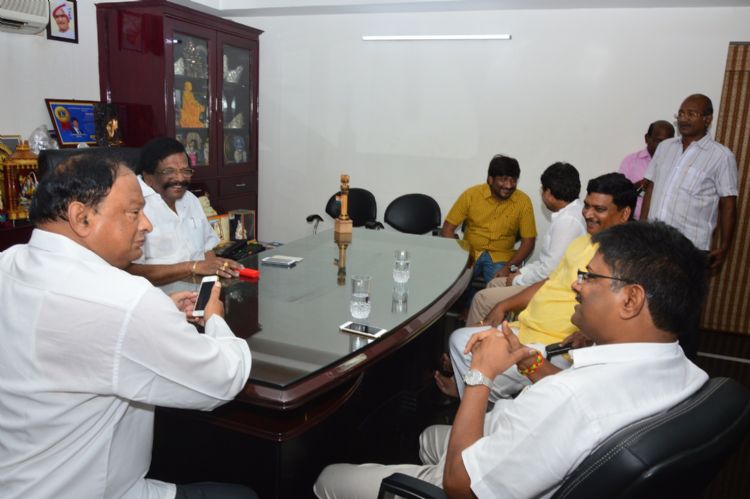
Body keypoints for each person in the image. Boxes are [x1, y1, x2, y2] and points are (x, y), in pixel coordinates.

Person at [314, 221, 708, 499]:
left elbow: (460, 487)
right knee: (428, 437)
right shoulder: (684, 368)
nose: (576, 284)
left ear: (631, 299)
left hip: (470, 482)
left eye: (590, 276)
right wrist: (529, 362)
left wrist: (481, 375)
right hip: (526, 447)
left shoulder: (570, 400)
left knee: (328, 479)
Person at [0, 155, 255, 498]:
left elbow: (63, 331)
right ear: (82, 217)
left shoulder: (8, 262)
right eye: (134, 212)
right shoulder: (124, 300)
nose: (147, 225)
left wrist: (159, 313)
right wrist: (214, 318)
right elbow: (223, 379)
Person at [438, 173, 636, 400]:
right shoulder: (582, 243)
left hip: (556, 344)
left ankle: (482, 403)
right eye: (587, 206)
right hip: (526, 327)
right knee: (459, 340)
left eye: (599, 209)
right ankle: (476, 397)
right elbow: (549, 281)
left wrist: (588, 335)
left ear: (624, 213)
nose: (588, 214)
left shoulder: (627, 257)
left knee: (485, 366)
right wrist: (504, 305)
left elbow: (623, 316)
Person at [469, 162, 586, 323]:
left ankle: (472, 338)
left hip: (550, 287)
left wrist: (518, 279)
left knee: (481, 299)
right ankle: (496, 332)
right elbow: (547, 262)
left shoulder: (567, 222)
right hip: (547, 279)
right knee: (494, 284)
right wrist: (521, 273)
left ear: (548, 193)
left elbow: (549, 271)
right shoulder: (571, 213)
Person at [127, 137, 242, 293]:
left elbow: (206, 249)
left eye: (185, 171)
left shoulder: (190, 199)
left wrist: (217, 271)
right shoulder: (131, 205)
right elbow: (130, 270)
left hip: (197, 293)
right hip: (159, 298)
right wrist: (192, 267)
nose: (180, 178)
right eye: (169, 171)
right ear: (148, 176)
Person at [641, 93, 738, 269]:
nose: (683, 119)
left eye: (691, 114)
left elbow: (728, 204)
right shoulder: (665, 147)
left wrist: (724, 247)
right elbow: (651, 188)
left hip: (690, 248)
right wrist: (641, 227)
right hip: (653, 240)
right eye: (681, 113)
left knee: (682, 288)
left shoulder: (722, 157)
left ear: (707, 119)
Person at [440, 154, 536, 285]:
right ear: (490, 179)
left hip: (502, 258)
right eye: (503, 179)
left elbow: (528, 242)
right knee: (455, 284)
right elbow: (447, 230)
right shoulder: (471, 195)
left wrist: (509, 267)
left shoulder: (523, 201)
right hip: (470, 253)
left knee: (500, 287)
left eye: (513, 180)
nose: (509, 185)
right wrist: (459, 257)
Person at [618, 120, 675, 219]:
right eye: (659, 141)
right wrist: (639, 186)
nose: (663, 146)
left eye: (667, 142)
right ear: (647, 138)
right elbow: (619, 193)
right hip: (633, 222)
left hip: (664, 223)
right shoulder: (631, 161)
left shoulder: (677, 165)